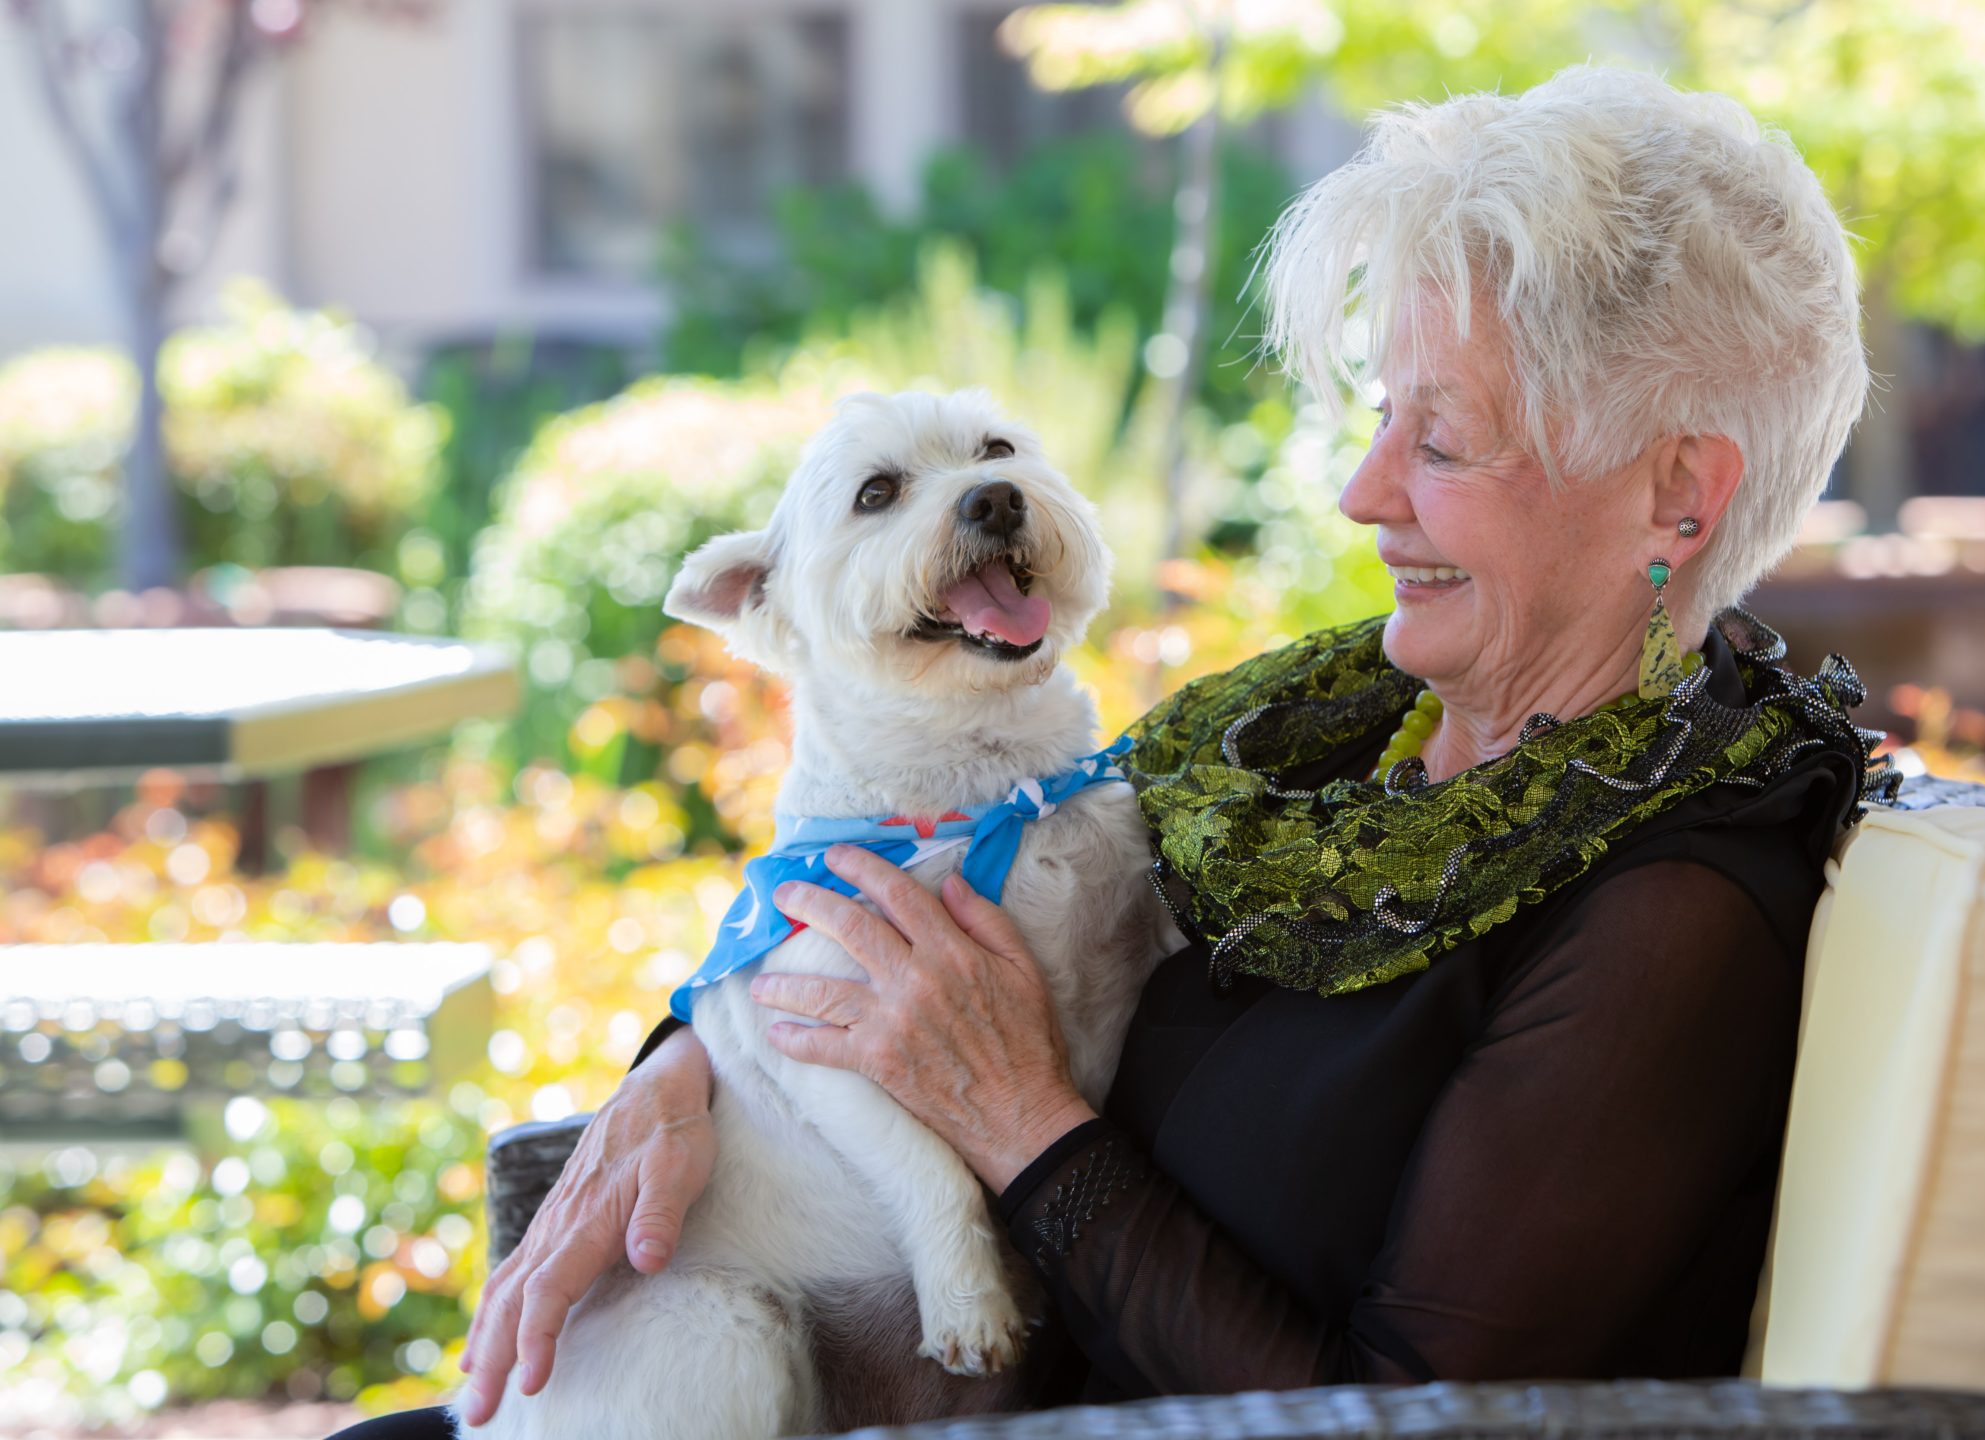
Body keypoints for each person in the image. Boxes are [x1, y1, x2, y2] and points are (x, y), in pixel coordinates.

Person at [338, 64, 1894, 1438]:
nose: (1361, 491)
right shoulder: (1327, 744)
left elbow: (1409, 1418)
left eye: (1443, 436)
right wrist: (682, 1064)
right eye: (1376, 418)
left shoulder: (1666, 909)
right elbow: (913, 893)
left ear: (1676, 493)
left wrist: (1026, 1128)